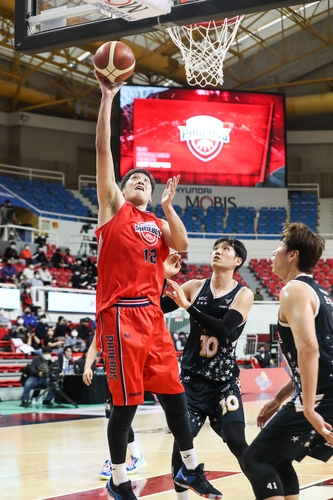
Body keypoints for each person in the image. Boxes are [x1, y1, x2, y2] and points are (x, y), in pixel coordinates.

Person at [92, 75, 221, 500]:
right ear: (123, 189)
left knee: (174, 396)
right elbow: (102, 154)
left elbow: (183, 243)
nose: (141, 181)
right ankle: (118, 478)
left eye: (147, 180)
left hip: (151, 316)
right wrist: (109, 97)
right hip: (120, 314)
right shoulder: (114, 210)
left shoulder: (157, 223)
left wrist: (168, 206)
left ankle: (189, 468)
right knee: (125, 406)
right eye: (135, 179)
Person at [242, 223, 333, 500]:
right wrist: (280, 397)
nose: (273, 252)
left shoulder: (293, 290)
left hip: (321, 397)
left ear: (292, 254)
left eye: (279, 247)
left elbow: (309, 349)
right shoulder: (322, 293)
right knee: (277, 457)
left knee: (255, 458)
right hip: (326, 391)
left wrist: (307, 408)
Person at [162, 237, 254, 499]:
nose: (218, 251)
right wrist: (161, 275)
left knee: (237, 441)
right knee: (182, 442)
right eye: (216, 248)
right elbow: (155, 306)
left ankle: (265, 488)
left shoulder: (244, 294)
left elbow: (224, 330)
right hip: (191, 381)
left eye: (225, 249)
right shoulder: (195, 286)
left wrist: (188, 307)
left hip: (224, 384)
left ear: (237, 261)